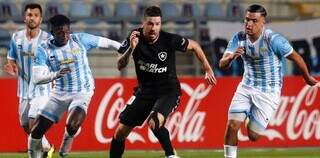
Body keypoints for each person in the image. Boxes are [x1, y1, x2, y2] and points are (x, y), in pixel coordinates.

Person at [110, 6, 217, 158]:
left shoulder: (169, 40)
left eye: (157, 24)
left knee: (154, 122)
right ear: (143, 23)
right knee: (120, 132)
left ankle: (171, 155)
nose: (154, 28)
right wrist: (130, 50)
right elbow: (120, 65)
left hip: (168, 91)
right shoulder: (134, 37)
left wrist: (207, 68)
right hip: (145, 91)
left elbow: (194, 45)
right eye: (150, 24)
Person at [219, 4, 319, 158]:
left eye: (254, 20)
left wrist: (307, 78)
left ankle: (250, 118)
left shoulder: (273, 40)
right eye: (246, 20)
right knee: (232, 125)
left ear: (263, 21)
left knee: (253, 136)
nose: (249, 24)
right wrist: (231, 57)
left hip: (269, 91)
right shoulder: (239, 38)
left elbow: (296, 57)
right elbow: (222, 64)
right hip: (246, 86)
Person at [28, 14, 121, 158]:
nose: (64, 35)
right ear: (52, 33)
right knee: (36, 132)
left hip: (82, 90)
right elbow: (36, 78)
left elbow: (108, 43)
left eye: (66, 31)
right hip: (58, 93)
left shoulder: (80, 39)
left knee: (72, 125)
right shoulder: (43, 49)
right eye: (59, 32)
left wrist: (123, 49)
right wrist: (55, 75)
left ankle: (68, 137)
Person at [4, 3, 54, 158]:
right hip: (24, 90)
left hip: (42, 91)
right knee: (26, 125)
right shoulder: (16, 37)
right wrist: (12, 68)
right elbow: (11, 59)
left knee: (33, 123)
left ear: (41, 18)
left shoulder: (48, 39)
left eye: (35, 15)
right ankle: (46, 147)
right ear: (24, 18)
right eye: (29, 15)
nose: (32, 18)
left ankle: (37, 155)